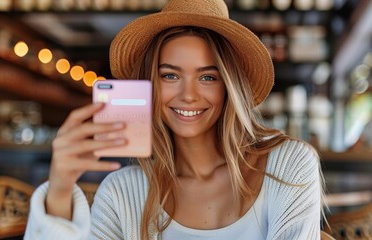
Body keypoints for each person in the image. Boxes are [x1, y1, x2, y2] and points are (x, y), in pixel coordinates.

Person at [24, 0, 323, 239]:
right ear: (149, 86)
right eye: (170, 75)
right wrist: (60, 193)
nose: (188, 95)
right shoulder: (122, 191)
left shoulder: (288, 165)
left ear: (230, 87)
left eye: (208, 77)